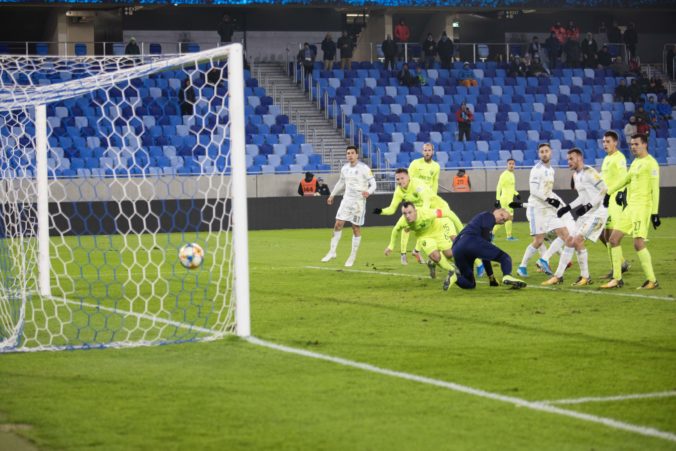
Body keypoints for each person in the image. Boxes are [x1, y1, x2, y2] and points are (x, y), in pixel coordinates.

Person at [601, 134, 660, 289]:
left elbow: (656, 189)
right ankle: (617, 279)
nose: (633, 147)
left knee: (638, 243)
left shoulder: (651, 164)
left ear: (645, 144)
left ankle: (652, 280)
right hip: (630, 207)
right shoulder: (635, 162)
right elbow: (625, 179)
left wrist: (654, 213)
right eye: (631, 144)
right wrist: (609, 192)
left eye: (636, 144)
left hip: (642, 208)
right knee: (613, 240)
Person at [541, 148, 608, 286]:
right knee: (570, 240)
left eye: (571, 159)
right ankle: (559, 276)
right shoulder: (576, 176)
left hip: (598, 213)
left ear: (579, 158)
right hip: (587, 212)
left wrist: (589, 205)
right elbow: (582, 197)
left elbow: (604, 189)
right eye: (568, 159)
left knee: (577, 240)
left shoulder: (590, 172)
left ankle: (585, 277)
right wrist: (568, 207)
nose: (569, 162)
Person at [374, 168, 462, 270]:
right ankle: (434, 260)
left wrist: (423, 213)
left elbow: (426, 199)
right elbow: (392, 209)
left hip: (438, 209)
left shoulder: (416, 184)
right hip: (425, 215)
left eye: (402, 178)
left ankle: (475, 261)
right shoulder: (399, 191)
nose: (400, 181)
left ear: (408, 177)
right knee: (428, 239)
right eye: (397, 179)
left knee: (452, 242)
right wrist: (380, 211)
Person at [512, 143, 571, 277]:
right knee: (539, 241)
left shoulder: (551, 170)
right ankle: (522, 266)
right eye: (542, 151)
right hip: (536, 209)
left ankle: (544, 259)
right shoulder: (536, 170)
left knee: (564, 234)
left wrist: (557, 202)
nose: (544, 153)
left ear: (551, 153)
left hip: (548, 209)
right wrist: (549, 200)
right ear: (539, 154)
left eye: (546, 151)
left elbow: (548, 190)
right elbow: (533, 191)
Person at [321, 146, 376, 267]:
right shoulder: (344, 168)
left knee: (355, 228)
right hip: (346, 200)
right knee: (338, 224)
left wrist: (369, 192)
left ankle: (352, 255)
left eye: (352, 153)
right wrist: (332, 195)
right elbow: (341, 182)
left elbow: (373, 184)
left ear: (357, 155)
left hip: (358, 202)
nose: (350, 155)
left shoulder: (364, 168)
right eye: (348, 153)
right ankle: (332, 251)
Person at [446, 209, 527, 290]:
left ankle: (455, 276)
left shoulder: (480, 223)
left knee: (470, 284)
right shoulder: (488, 216)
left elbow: (485, 255)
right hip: (470, 241)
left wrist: (491, 277)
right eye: (502, 215)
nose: (502, 219)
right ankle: (507, 275)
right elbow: (484, 247)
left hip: (457, 248)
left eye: (504, 220)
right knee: (505, 257)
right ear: (495, 211)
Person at [396, 202, 457, 285]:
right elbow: (406, 231)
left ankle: (433, 262)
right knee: (436, 256)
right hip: (428, 235)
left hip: (440, 227)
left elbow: (445, 213)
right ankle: (454, 269)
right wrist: (404, 252)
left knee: (449, 253)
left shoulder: (427, 202)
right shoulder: (411, 216)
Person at [599, 131, 630, 279]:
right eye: (604, 142)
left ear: (615, 142)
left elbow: (624, 178)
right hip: (605, 200)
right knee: (602, 235)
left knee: (609, 236)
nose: (605, 144)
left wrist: (619, 194)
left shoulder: (620, 158)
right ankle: (621, 263)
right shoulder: (606, 159)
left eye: (608, 141)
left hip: (614, 201)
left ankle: (617, 268)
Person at [493, 159, 519, 241]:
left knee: (506, 218)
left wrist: (516, 193)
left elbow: (511, 187)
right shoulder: (504, 175)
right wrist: (497, 199)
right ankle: (508, 236)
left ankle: (492, 233)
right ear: (507, 165)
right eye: (510, 163)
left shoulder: (512, 174)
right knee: (508, 217)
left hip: (510, 199)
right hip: (505, 199)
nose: (511, 165)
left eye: (513, 164)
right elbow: (499, 187)